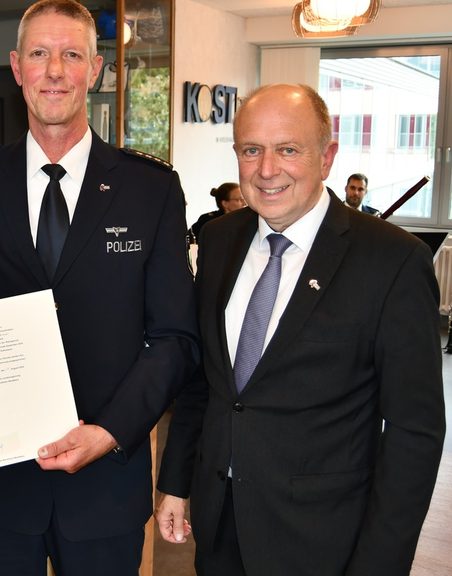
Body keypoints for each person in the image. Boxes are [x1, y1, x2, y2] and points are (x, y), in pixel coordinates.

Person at [0, 0, 201, 576]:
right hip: (0, 481)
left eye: (72, 55)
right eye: (39, 54)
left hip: (106, 480)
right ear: (16, 66)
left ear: (94, 71)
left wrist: (111, 432)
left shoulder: (151, 189)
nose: (54, 71)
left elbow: (174, 337)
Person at [155, 84, 445, 576]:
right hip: (218, 526)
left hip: (322, 541)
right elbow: (204, 381)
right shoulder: (218, 240)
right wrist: (177, 482)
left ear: (327, 157)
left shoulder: (392, 261)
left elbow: (414, 432)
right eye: (252, 150)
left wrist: (380, 564)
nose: (267, 170)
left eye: (288, 149)